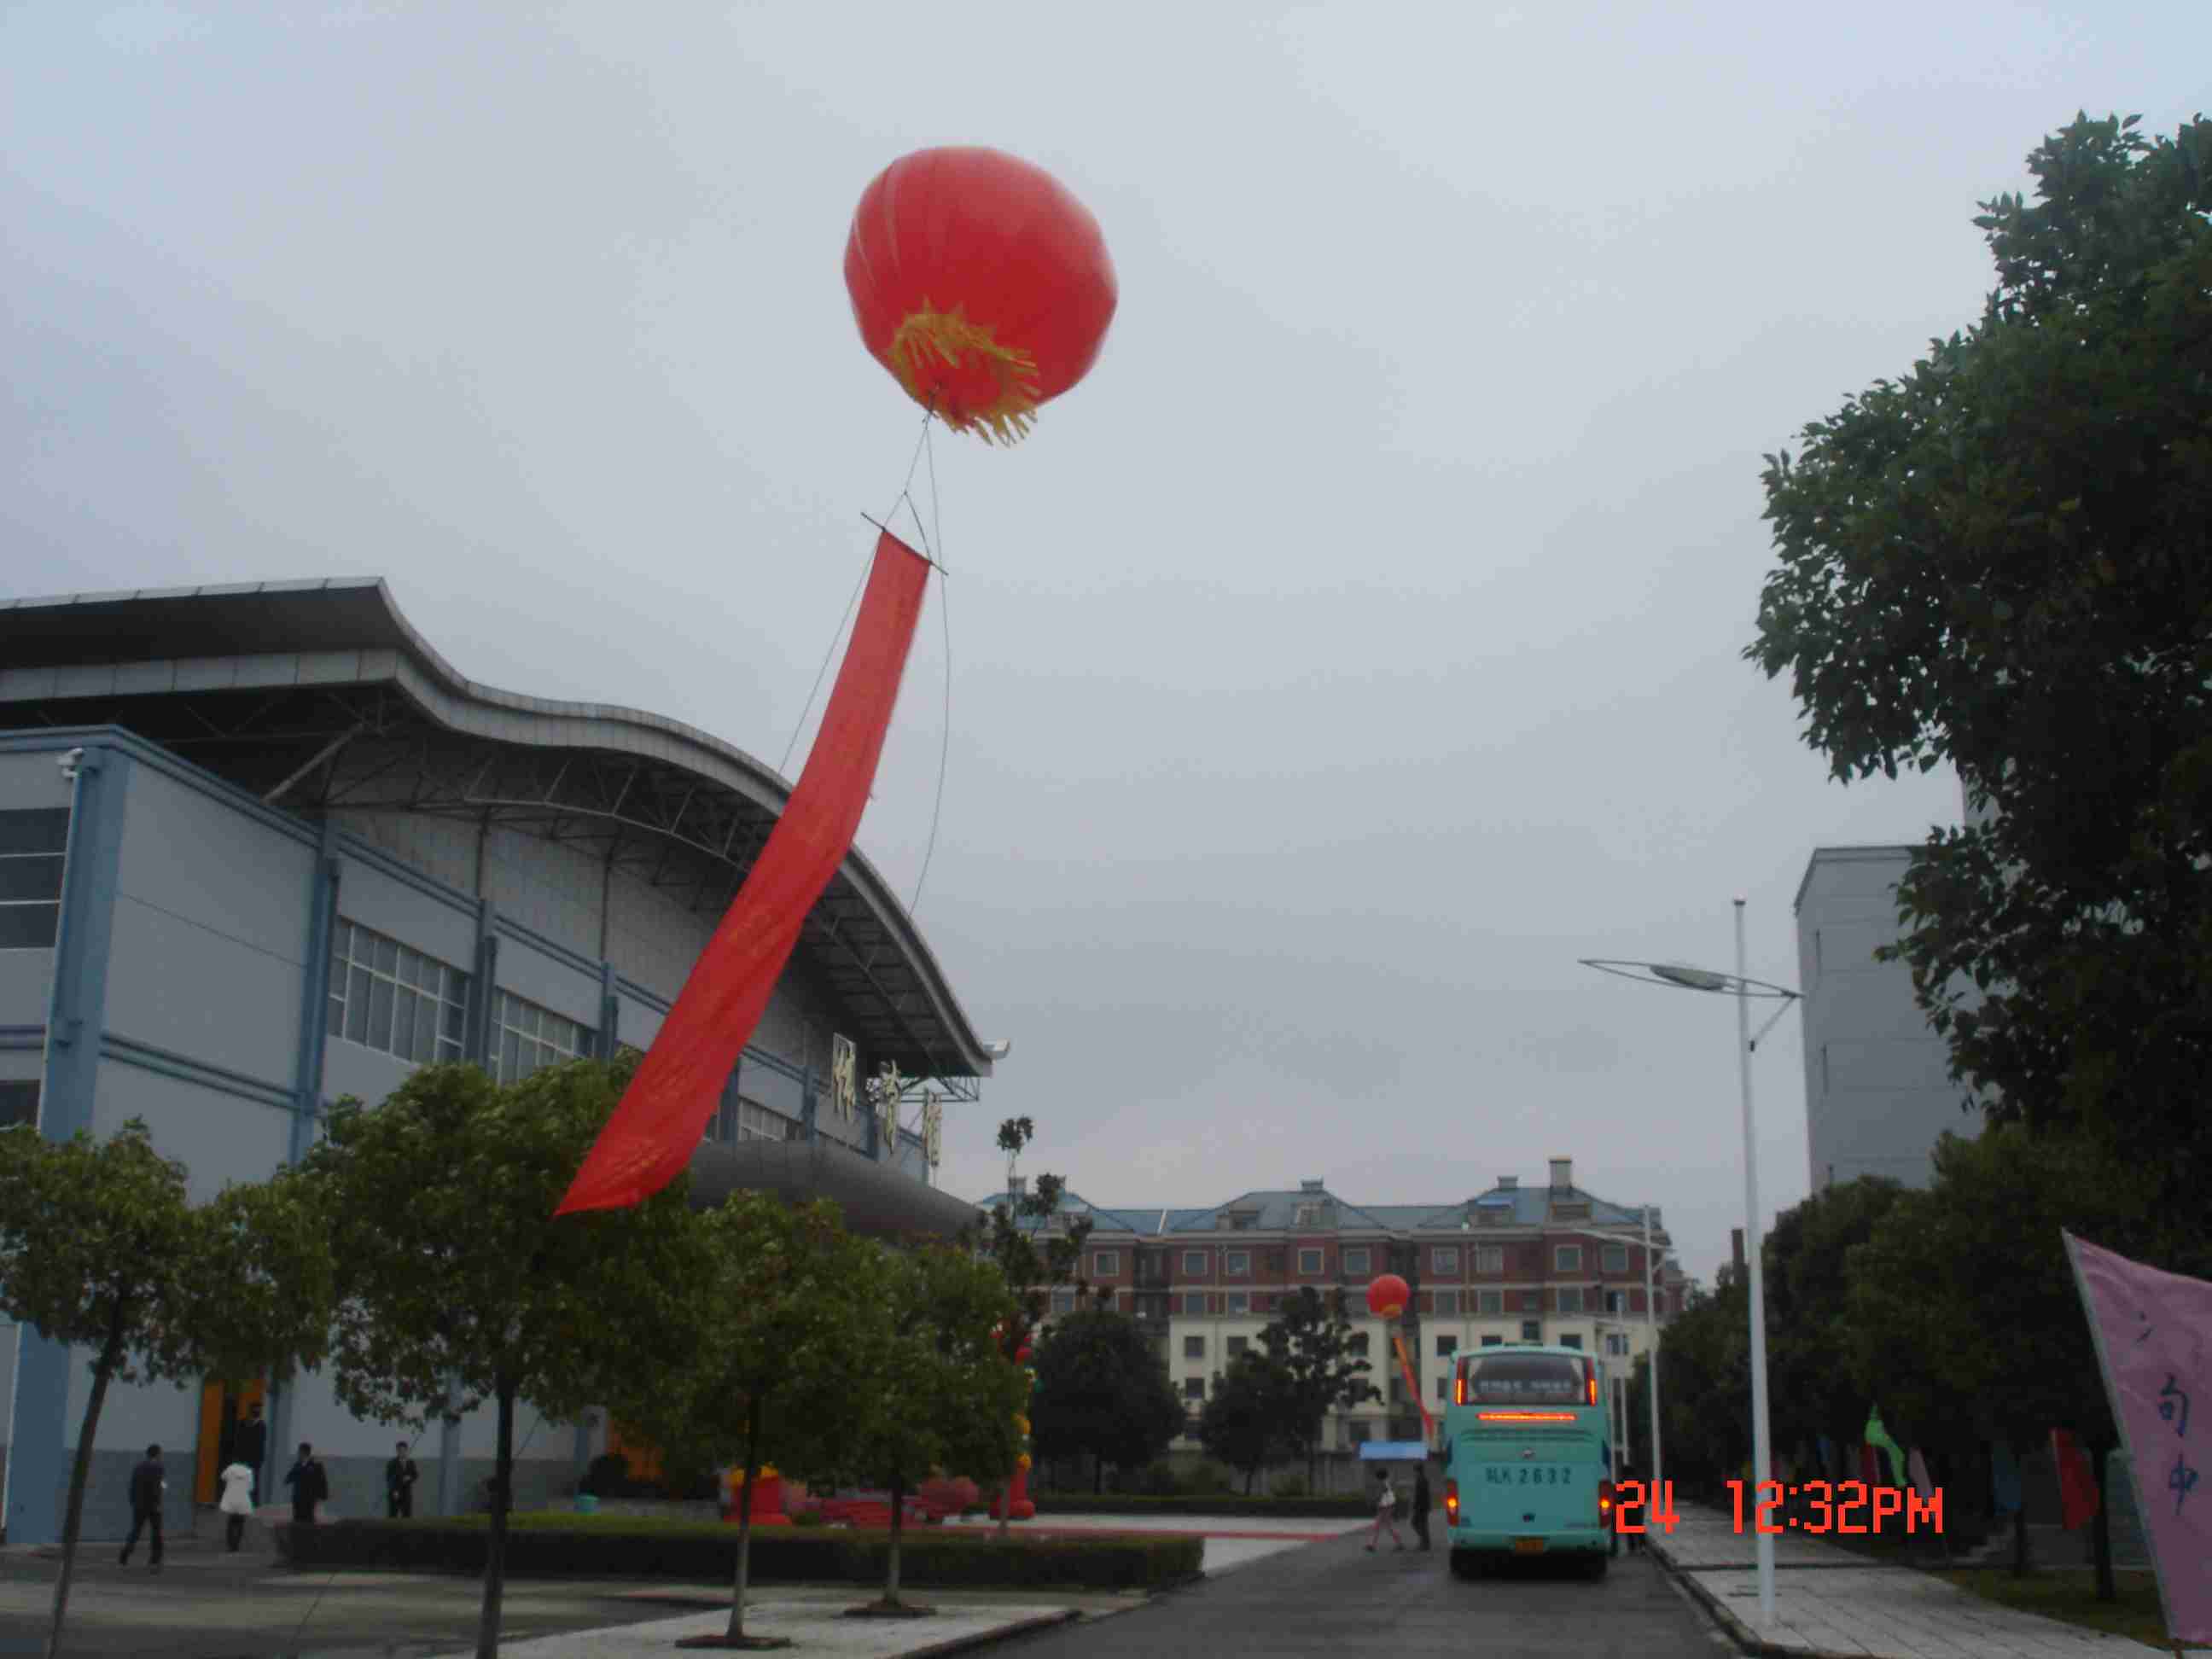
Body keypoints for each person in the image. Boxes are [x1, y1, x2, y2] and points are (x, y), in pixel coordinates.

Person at [118, 1444, 165, 1571]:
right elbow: (157, 1487)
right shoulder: (159, 1468)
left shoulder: (138, 1467)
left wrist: (133, 1501)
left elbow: (132, 1485)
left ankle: (125, 1553)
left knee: (136, 1530)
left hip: (139, 1505)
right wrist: (158, 1502)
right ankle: (155, 1560)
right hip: (153, 1505)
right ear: (157, 1454)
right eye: (161, 1453)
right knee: (156, 1532)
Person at [284, 1441, 329, 1527]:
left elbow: (322, 1481)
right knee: (297, 1519)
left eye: (300, 1452)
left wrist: (323, 1495)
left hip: (309, 1498)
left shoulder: (316, 1465)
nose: (298, 1454)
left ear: (304, 1452)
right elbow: (289, 1477)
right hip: (298, 1498)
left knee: (308, 1520)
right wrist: (288, 1479)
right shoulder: (297, 1465)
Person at [218, 1457, 257, 1551]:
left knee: (231, 1522)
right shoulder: (249, 1472)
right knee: (240, 1523)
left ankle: (230, 1544)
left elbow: (222, 1477)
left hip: (231, 1498)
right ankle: (236, 1545)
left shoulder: (230, 1468)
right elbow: (251, 1488)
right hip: (243, 1500)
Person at [1365, 1466, 1406, 1552]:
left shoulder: (1383, 1484)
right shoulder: (1387, 1483)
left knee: (1385, 1526)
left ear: (1379, 1477)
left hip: (1385, 1508)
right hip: (1387, 1507)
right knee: (1379, 1526)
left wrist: (1373, 1501)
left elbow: (1379, 1496)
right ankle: (1371, 1545)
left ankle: (1399, 1543)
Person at [234, 1400, 268, 1502]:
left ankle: (253, 1501)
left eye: (259, 1409)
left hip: (255, 1458)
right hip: (242, 1456)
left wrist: (260, 1458)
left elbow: (261, 1442)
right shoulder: (243, 1423)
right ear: (250, 1410)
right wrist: (237, 1455)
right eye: (255, 1409)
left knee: (254, 1480)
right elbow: (238, 1439)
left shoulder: (262, 1425)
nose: (257, 1411)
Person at [385, 1439, 419, 1519]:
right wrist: (394, 1491)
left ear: (406, 1451)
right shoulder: (392, 1463)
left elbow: (415, 1475)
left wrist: (409, 1477)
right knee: (393, 1515)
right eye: (400, 1450)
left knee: (407, 1516)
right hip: (395, 1493)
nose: (402, 1452)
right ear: (397, 1451)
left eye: (404, 1450)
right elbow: (389, 1479)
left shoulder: (411, 1462)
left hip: (406, 1494)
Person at [1616, 1458, 1644, 1551]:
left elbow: (1619, 1498)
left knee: (1629, 1528)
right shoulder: (1639, 1481)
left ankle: (1632, 1547)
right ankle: (1642, 1545)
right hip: (1637, 1508)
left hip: (1627, 1508)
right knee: (1639, 1527)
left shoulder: (1621, 1482)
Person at [1411, 1460, 1433, 1551]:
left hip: (1421, 1507)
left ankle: (1425, 1543)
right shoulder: (1423, 1479)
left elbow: (1420, 1496)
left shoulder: (1421, 1480)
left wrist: (1415, 1506)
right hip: (1423, 1507)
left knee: (1417, 1524)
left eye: (1415, 1471)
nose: (1414, 1473)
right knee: (1421, 1525)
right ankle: (1425, 1543)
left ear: (1417, 1471)